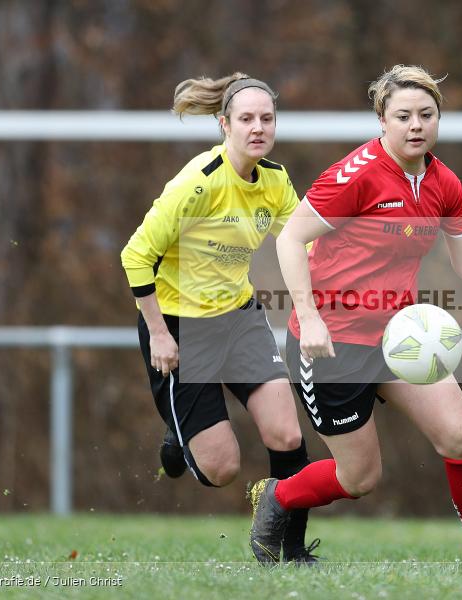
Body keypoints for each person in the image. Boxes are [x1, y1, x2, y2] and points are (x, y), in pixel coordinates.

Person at [248, 65, 462, 568]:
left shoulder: (444, 183)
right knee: (360, 479)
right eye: (403, 116)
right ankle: (277, 498)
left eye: (426, 114)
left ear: (438, 118)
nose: (416, 125)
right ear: (382, 121)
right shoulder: (356, 175)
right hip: (331, 344)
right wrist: (309, 316)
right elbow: (290, 238)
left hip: (400, 338)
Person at [121, 73, 319, 563]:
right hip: (179, 329)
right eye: (246, 119)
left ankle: (286, 548)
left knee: (287, 435)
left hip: (239, 318)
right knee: (222, 469)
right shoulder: (197, 183)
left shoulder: (273, 180)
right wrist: (161, 335)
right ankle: (179, 433)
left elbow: (305, 242)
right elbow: (134, 256)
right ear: (223, 123)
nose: (258, 128)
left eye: (266, 118)